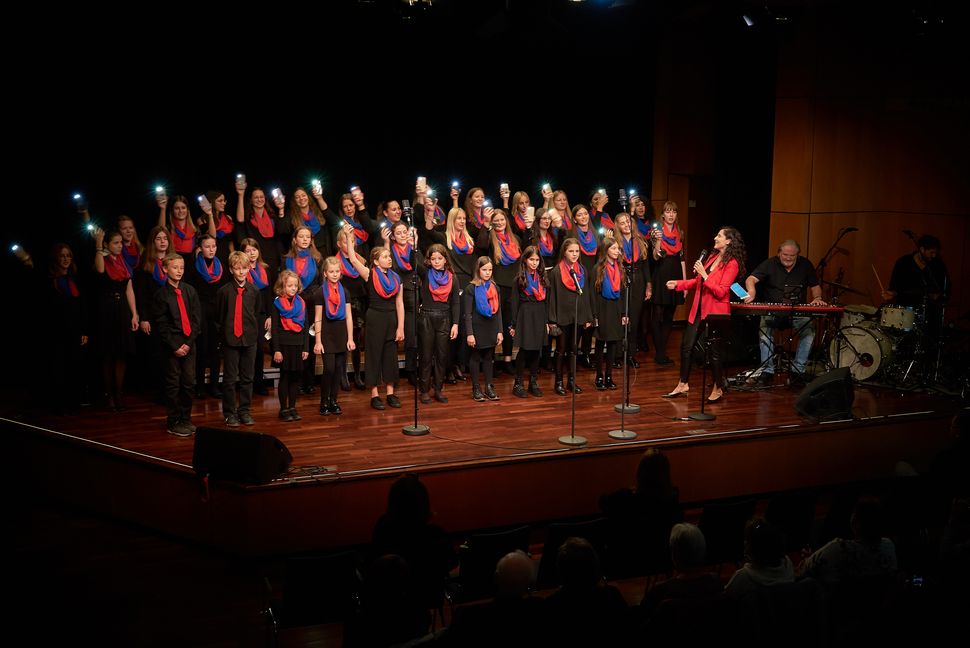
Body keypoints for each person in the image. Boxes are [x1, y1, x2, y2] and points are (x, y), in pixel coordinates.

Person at [664, 226, 746, 402]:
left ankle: (718, 387)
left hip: (716, 312)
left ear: (729, 241)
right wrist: (679, 284)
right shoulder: (712, 257)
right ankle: (683, 383)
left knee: (714, 353)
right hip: (699, 309)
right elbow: (698, 281)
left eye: (719, 236)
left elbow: (721, 292)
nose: (715, 238)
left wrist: (705, 275)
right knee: (686, 347)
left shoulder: (732, 264)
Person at [743, 239, 825, 383]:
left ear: (797, 255)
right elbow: (751, 278)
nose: (788, 258)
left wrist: (817, 297)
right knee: (764, 329)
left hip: (797, 311)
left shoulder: (805, 264)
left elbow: (815, 285)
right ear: (779, 253)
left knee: (809, 330)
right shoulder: (770, 263)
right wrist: (751, 291)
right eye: (785, 254)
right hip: (772, 312)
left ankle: (798, 370)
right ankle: (767, 371)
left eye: (792, 256)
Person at [346, 240, 405, 410]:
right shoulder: (369, 274)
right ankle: (374, 394)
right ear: (376, 261)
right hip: (375, 318)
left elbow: (399, 303)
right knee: (373, 355)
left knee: (390, 356)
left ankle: (390, 393)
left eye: (389, 256)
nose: (389, 259)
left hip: (391, 318)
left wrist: (400, 327)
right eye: (385, 257)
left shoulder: (396, 278)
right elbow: (352, 259)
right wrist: (350, 238)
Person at [152, 254, 201, 437]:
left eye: (181, 267)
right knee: (174, 384)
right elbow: (161, 324)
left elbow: (196, 320)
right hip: (172, 344)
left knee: (189, 383)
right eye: (175, 267)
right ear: (165, 269)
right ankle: (173, 422)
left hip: (189, 343)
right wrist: (175, 346)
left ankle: (185, 419)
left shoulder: (190, 291)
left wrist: (188, 344)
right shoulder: (161, 295)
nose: (179, 271)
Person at [92, 228, 140, 411]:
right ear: (107, 244)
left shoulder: (123, 261)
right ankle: (108, 394)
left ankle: (119, 393)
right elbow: (99, 269)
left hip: (122, 311)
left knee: (121, 354)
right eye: (115, 243)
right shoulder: (101, 259)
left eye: (121, 243)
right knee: (107, 354)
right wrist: (98, 245)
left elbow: (129, 288)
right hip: (106, 310)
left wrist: (134, 313)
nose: (120, 246)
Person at [215, 251, 262, 427]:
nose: (241, 272)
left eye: (244, 268)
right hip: (230, 339)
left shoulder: (254, 291)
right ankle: (229, 413)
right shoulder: (224, 292)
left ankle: (244, 411)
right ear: (231, 269)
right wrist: (224, 335)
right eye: (237, 268)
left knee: (247, 377)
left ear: (249, 268)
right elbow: (219, 316)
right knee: (229, 378)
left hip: (249, 338)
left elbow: (256, 313)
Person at [547, 238, 594, 395]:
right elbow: (552, 296)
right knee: (561, 349)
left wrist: (588, 316)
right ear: (564, 252)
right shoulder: (556, 271)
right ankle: (559, 382)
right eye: (571, 251)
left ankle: (571, 381)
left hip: (578, 315)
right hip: (562, 316)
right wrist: (552, 320)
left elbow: (586, 295)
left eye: (576, 251)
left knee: (574, 349)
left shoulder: (582, 270)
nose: (574, 254)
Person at [414, 244, 460, 404]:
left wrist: (455, 324)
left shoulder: (453, 278)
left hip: (445, 319)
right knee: (426, 356)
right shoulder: (425, 274)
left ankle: (438, 389)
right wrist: (414, 244)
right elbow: (412, 260)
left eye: (439, 258)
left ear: (445, 259)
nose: (436, 262)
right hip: (426, 317)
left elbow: (456, 303)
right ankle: (424, 390)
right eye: (433, 259)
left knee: (442, 356)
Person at [313, 257, 356, 415]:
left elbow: (349, 316)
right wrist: (318, 341)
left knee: (339, 369)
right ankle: (324, 401)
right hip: (327, 334)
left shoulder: (345, 291)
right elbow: (317, 318)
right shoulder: (319, 292)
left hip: (341, 334)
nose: (335, 274)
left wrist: (350, 338)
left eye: (337, 271)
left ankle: (333, 400)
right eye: (331, 271)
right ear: (325, 273)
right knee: (329, 369)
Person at [883, 234, 950, 331]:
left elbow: (946, 287)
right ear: (922, 249)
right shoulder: (904, 262)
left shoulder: (938, 265)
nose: (934, 256)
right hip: (906, 312)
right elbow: (895, 286)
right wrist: (892, 293)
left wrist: (939, 295)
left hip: (930, 313)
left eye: (936, 253)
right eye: (931, 252)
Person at [509, 247, 550, 398]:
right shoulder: (519, 279)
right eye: (531, 259)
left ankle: (533, 382)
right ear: (525, 260)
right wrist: (513, 324)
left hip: (539, 314)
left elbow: (547, 302)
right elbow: (514, 303)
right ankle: (518, 383)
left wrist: (546, 321)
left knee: (536, 350)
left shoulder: (543, 278)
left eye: (537, 260)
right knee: (525, 350)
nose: (534, 263)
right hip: (525, 315)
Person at [649, 201, 686, 366]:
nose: (671, 215)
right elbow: (656, 256)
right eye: (668, 212)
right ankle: (660, 352)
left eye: (674, 212)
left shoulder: (680, 232)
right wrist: (658, 240)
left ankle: (662, 352)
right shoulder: (656, 231)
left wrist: (684, 283)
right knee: (657, 315)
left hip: (676, 273)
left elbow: (682, 259)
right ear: (663, 215)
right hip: (661, 273)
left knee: (670, 315)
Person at [271, 270, 311, 421]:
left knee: (296, 377)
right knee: (285, 376)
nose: (293, 288)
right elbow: (274, 328)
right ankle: (283, 409)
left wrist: (306, 347)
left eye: (295, 285)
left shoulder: (301, 303)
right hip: (283, 345)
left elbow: (306, 325)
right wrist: (276, 350)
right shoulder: (276, 303)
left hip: (298, 344)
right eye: (289, 286)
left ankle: (292, 407)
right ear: (283, 286)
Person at [463, 256, 504, 401]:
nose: (487, 272)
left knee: (488, 357)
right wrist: (469, 333)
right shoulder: (471, 288)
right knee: (475, 357)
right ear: (478, 270)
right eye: (484, 269)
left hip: (491, 327)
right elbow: (467, 313)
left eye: (490, 270)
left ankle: (489, 386)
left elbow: (498, 311)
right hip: (477, 328)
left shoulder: (495, 287)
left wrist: (500, 330)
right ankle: (476, 388)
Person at [190, 234, 225, 399]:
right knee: (202, 349)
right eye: (207, 246)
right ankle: (200, 386)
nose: (211, 250)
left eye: (213, 246)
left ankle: (214, 386)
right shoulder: (193, 267)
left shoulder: (221, 266)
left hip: (216, 312)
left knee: (216, 350)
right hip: (200, 311)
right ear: (200, 248)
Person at [239, 238, 275, 395]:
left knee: (259, 350)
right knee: (246, 350)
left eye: (254, 250)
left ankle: (258, 383)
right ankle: (246, 383)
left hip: (261, 315)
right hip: (246, 315)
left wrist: (270, 315)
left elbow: (270, 295)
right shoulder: (241, 271)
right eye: (247, 250)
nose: (251, 253)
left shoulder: (265, 269)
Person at [724, 518, 794, 597]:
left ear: (750, 549)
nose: (745, 543)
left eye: (747, 541)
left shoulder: (743, 576)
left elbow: (727, 597)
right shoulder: (788, 566)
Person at [591, 240, 627, 390]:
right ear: (606, 250)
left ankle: (609, 376)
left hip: (616, 308)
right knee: (600, 343)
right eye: (613, 248)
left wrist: (624, 313)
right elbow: (593, 294)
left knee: (613, 343)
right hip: (602, 308)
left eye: (618, 248)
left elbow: (623, 292)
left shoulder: (620, 268)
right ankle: (599, 376)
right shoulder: (598, 269)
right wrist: (594, 315)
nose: (616, 251)